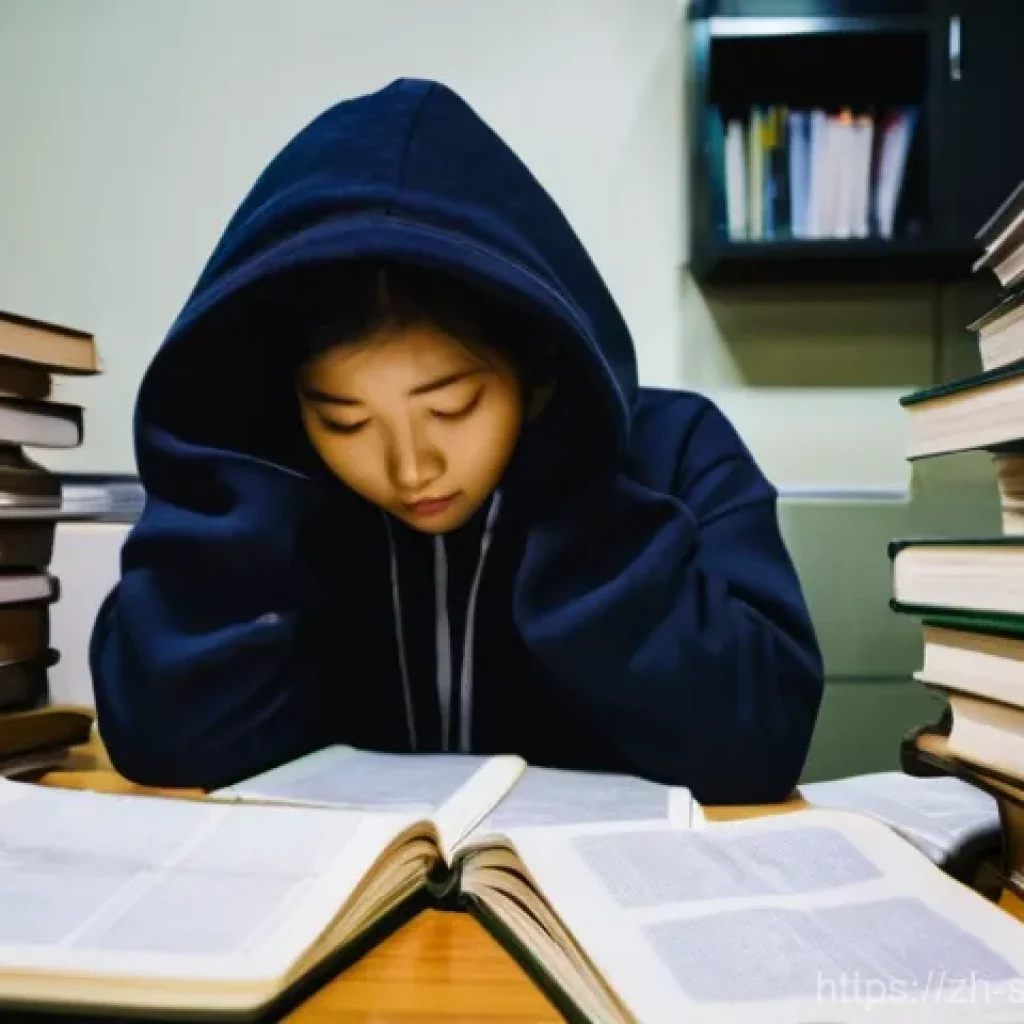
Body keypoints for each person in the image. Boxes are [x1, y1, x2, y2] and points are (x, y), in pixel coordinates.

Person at [90, 78, 824, 803]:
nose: (411, 468)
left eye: (453, 406)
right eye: (344, 420)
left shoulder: (678, 452)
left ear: (538, 365)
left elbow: (763, 746)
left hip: (595, 903)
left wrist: (582, 492)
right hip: (347, 905)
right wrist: (241, 489)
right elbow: (159, 741)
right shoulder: (275, 479)